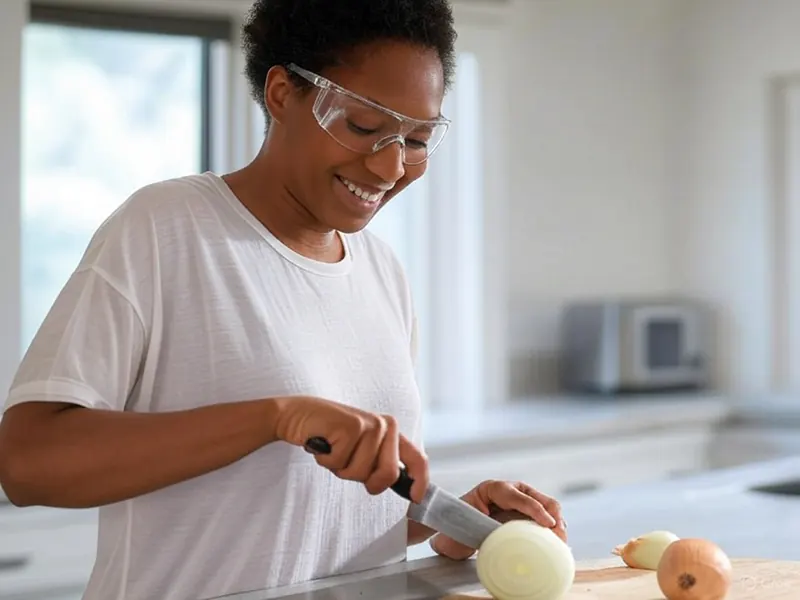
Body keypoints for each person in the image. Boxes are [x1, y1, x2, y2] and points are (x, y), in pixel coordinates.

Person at [0, 0, 566, 598]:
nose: (390, 166)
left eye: (417, 139)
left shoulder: (383, 272)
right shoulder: (167, 229)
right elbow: (27, 465)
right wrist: (275, 418)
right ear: (281, 94)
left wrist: (452, 522)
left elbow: (316, 517)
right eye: (363, 126)